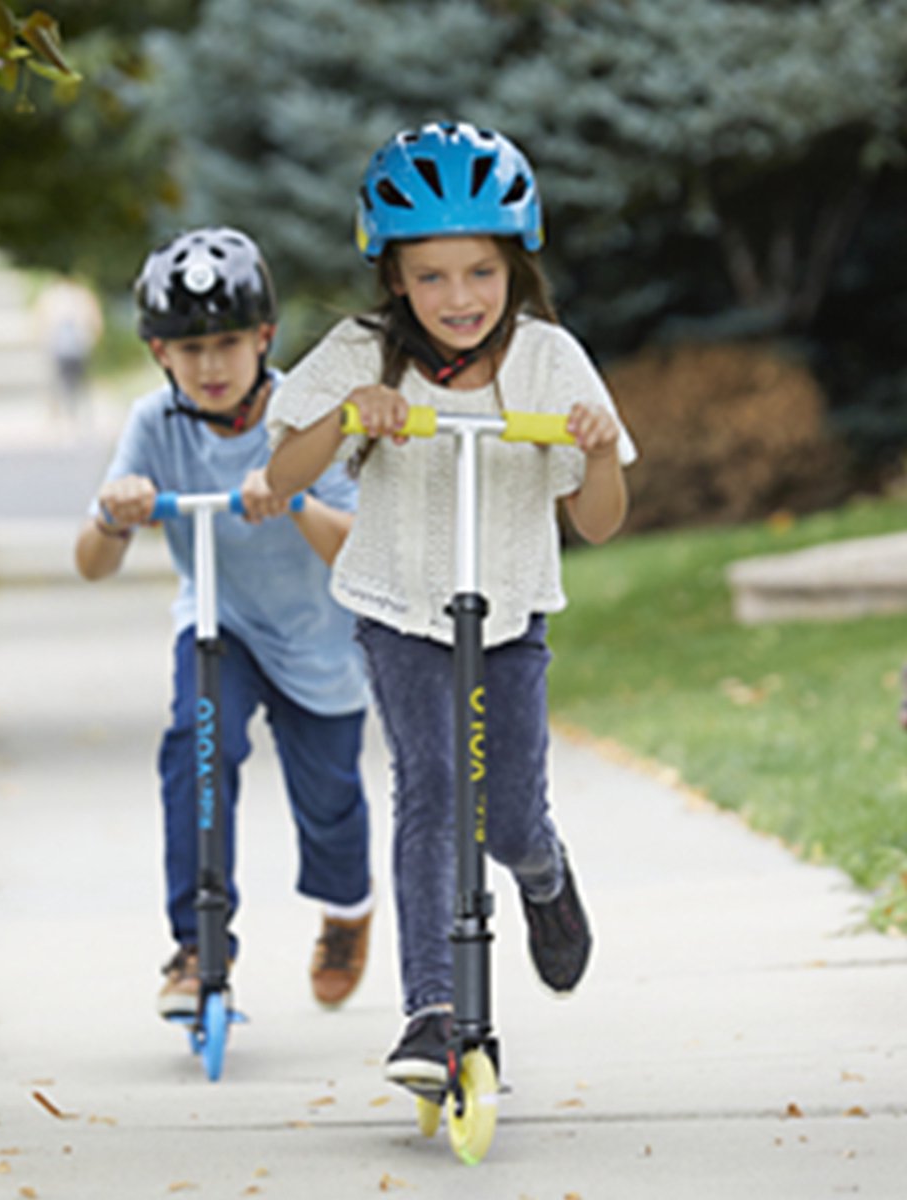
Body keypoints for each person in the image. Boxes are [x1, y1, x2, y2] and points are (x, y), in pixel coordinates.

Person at [265, 121, 637, 1092]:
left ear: (515, 265)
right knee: (431, 792)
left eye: (480, 272)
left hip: (509, 612)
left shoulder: (550, 361)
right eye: (431, 277)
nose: (459, 298)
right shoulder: (362, 351)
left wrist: (595, 452)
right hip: (400, 609)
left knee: (506, 817)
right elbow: (283, 467)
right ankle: (433, 1012)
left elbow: (597, 523)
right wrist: (350, 417)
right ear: (393, 278)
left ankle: (544, 877)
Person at [75, 227, 374, 1017]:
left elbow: (354, 554)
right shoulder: (154, 425)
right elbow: (91, 562)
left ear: (264, 339)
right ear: (158, 354)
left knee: (332, 805)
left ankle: (348, 912)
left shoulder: (307, 419)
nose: (210, 365)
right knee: (197, 748)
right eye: (188, 347)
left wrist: (293, 492)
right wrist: (116, 514)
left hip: (319, 643)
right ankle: (198, 942)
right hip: (221, 621)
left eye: (228, 343)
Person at [37, 278, 103, 424]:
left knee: (61, 382)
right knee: (77, 382)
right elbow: (96, 319)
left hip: (62, 346)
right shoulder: (82, 294)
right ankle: (72, 415)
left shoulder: (52, 295)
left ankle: (63, 416)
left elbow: (41, 319)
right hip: (77, 345)